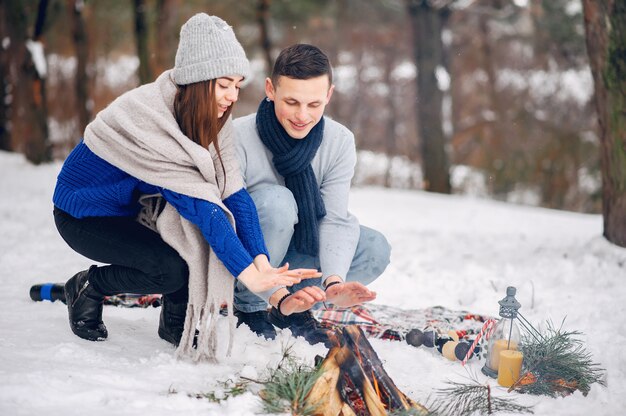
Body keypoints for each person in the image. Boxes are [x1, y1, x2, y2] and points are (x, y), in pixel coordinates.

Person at [51, 14, 322, 359]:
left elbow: (233, 194)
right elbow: (206, 210)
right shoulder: (150, 120)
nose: (232, 96)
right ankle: (89, 285)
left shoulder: (209, 119)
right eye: (224, 84)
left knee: (186, 233)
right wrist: (249, 277)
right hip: (84, 215)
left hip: (132, 208)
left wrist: (261, 260)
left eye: (237, 85)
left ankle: (174, 321)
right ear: (197, 79)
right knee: (169, 267)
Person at [233, 44, 392, 342]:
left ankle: (293, 305)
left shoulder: (339, 141)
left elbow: (333, 218)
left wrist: (334, 282)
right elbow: (228, 225)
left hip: (295, 258)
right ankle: (250, 306)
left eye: (314, 104)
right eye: (291, 102)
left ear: (329, 95)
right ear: (270, 89)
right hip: (245, 262)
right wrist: (264, 285)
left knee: (374, 246)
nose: (302, 116)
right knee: (279, 202)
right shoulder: (238, 137)